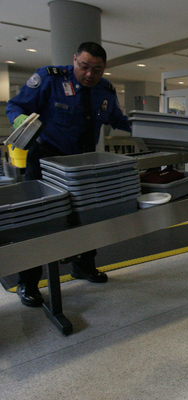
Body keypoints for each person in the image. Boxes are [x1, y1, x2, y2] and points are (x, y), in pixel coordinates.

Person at [6, 42, 131, 307]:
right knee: (39, 223)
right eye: (83, 67)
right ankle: (27, 281)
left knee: (87, 215)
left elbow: (117, 119)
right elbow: (16, 105)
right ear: (74, 60)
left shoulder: (105, 90)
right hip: (45, 160)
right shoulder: (50, 79)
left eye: (96, 70)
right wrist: (18, 119)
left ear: (104, 68)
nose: (89, 74)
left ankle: (83, 265)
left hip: (81, 164)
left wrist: (146, 126)